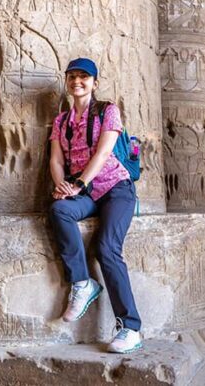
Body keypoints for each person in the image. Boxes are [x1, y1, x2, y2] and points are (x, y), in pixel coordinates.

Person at [48, 58, 142, 354]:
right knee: (60, 210)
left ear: (94, 82)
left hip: (116, 189)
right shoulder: (61, 121)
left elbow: (103, 154)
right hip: (85, 192)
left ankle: (130, 327)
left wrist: (77, 184)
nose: (78, 81)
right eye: (73, 76)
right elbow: (56, 159)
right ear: (67, 81)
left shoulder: (107, 111)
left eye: (84, 77)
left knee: (106, 248)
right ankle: (82, 282)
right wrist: (62, 185)